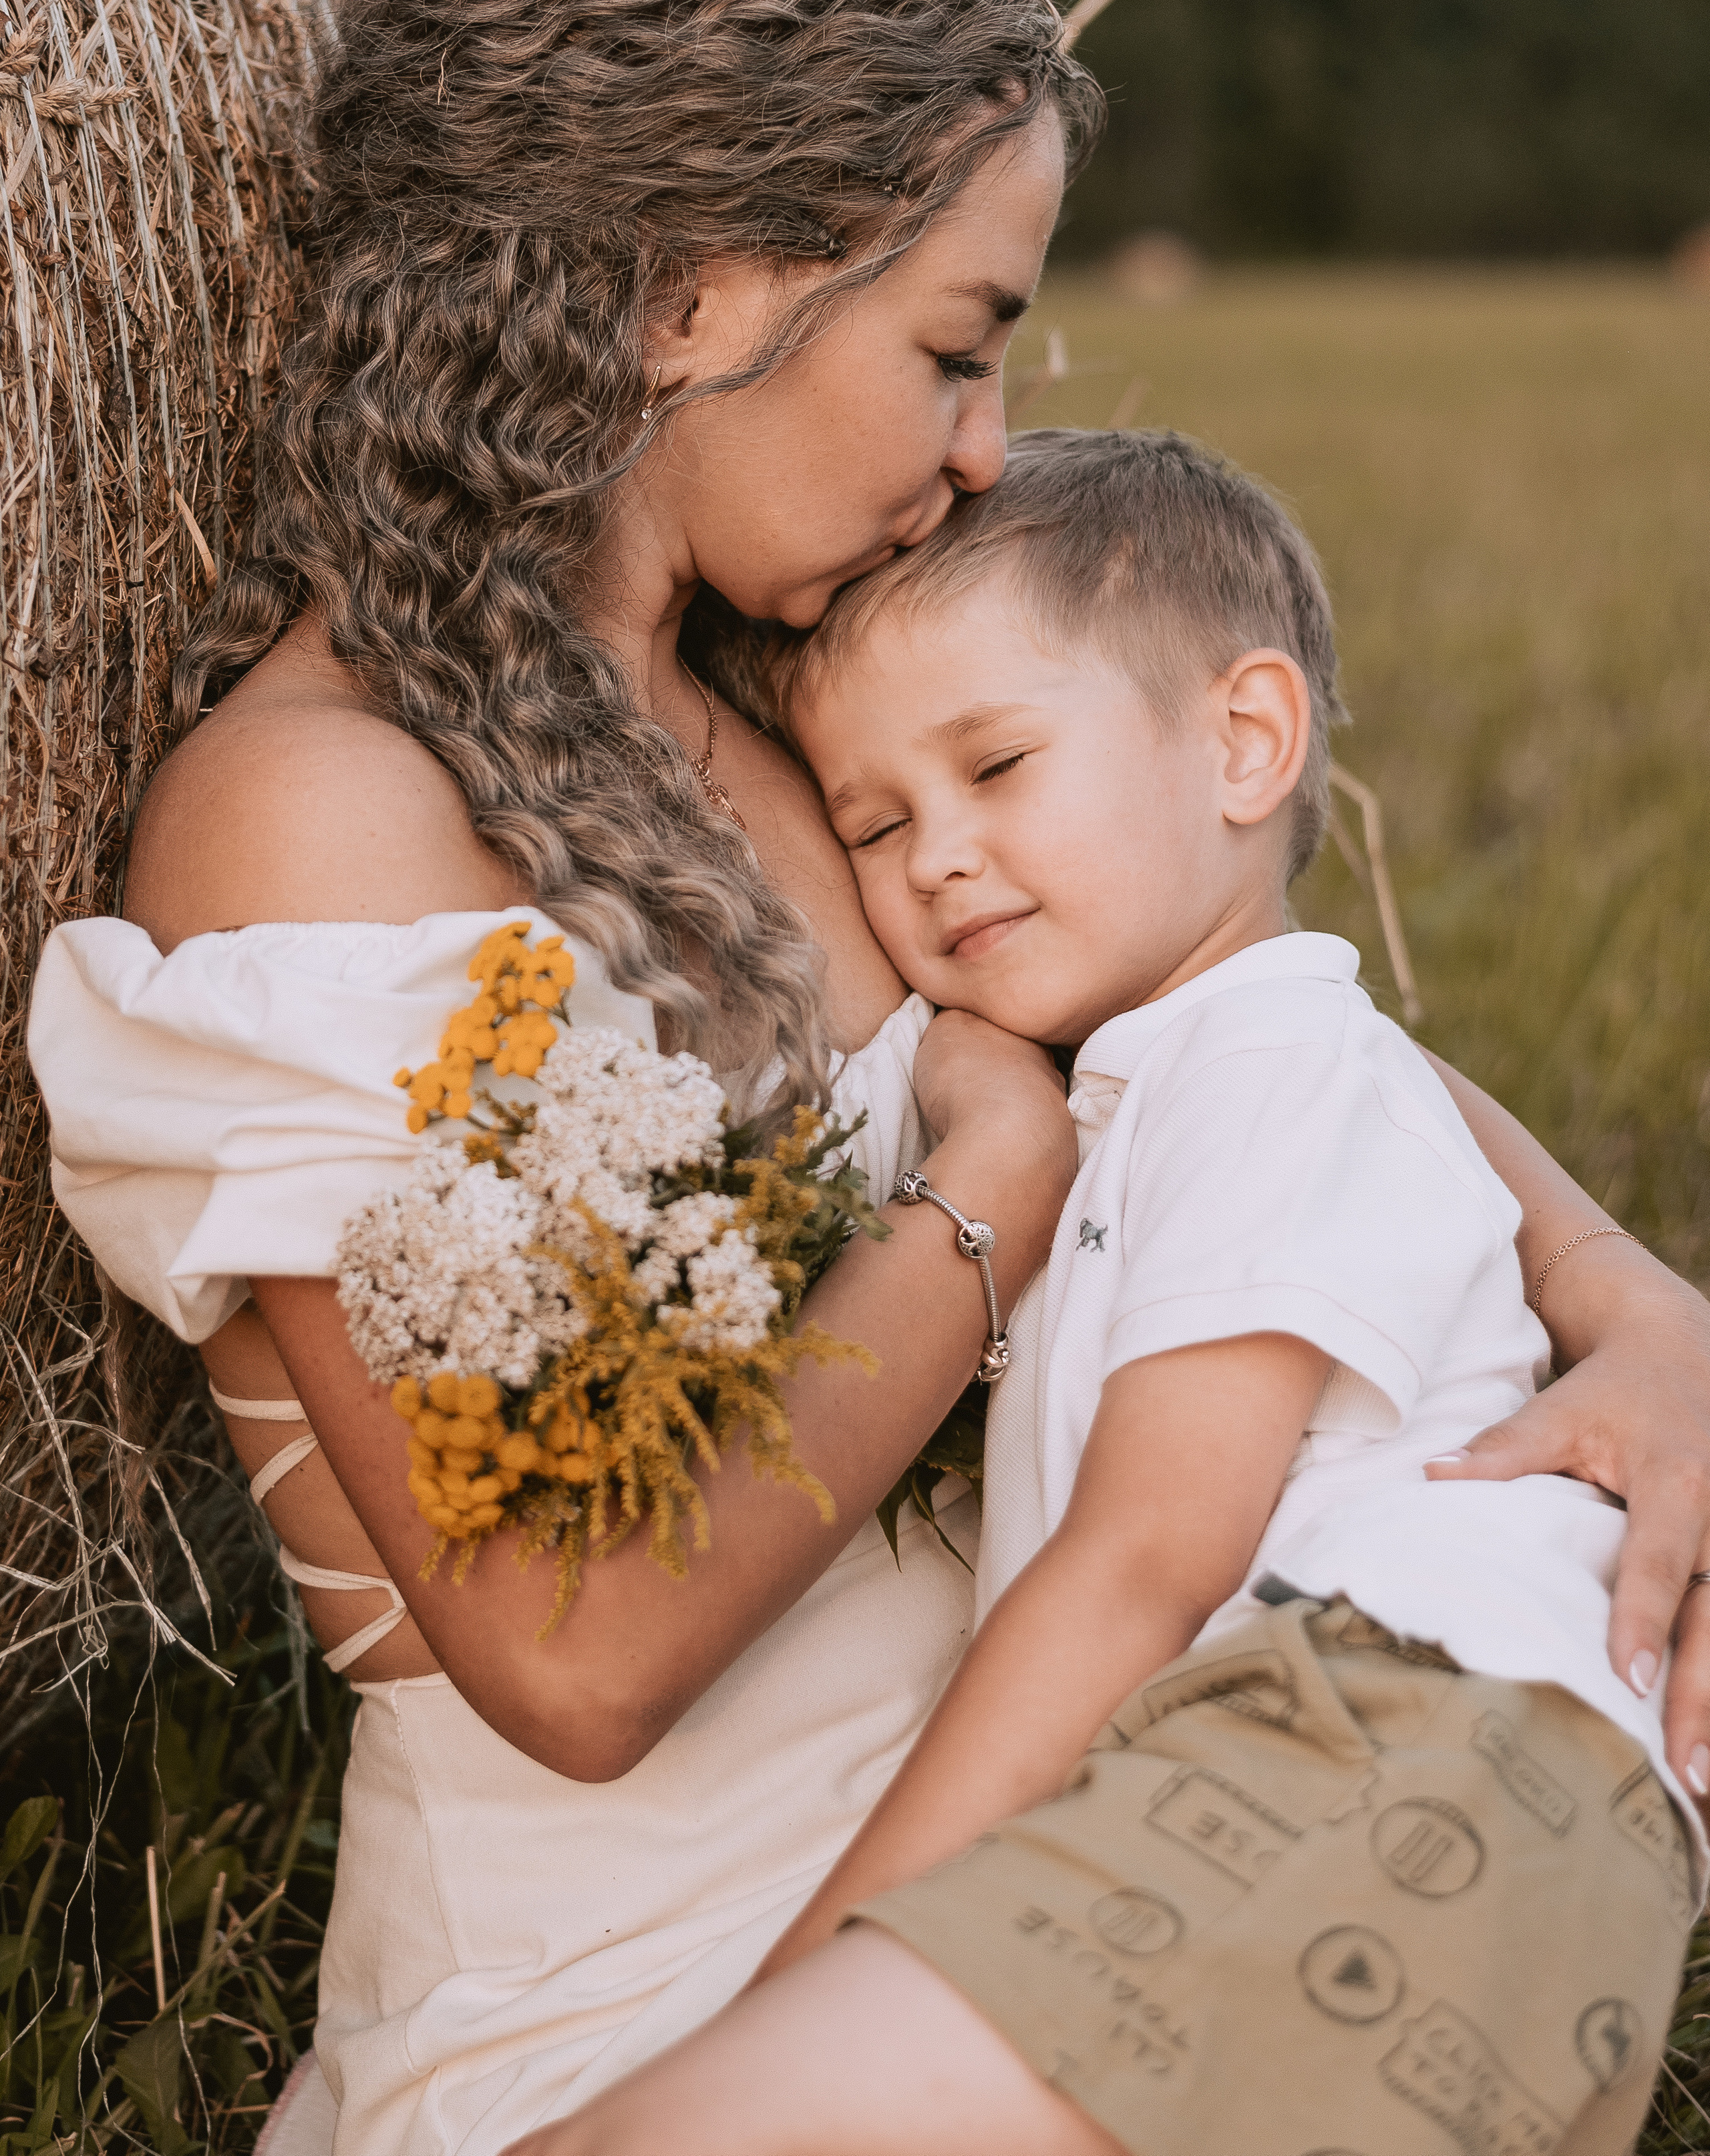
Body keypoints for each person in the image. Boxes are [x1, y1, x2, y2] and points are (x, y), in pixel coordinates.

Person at [23, 0, 1710, 2156]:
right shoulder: (328, 815)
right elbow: (577, 1650)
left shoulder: (770, 729)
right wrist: (980, 1194)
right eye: (952, 338)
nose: (992, 442)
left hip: (1061, 1836)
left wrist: (1635, 1299)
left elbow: (1229, 1046)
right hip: (663, 2004)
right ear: (694, 286)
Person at [518, 428, 1703, 2156]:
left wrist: (811, 1969)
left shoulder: (1271, 1067)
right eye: (875, 819)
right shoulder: (1185, 1074)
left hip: (1378, 1746)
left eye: (997, 764)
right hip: (1418, 1803)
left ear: (1246, 743)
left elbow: (1147, 1561)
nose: (934, 856)